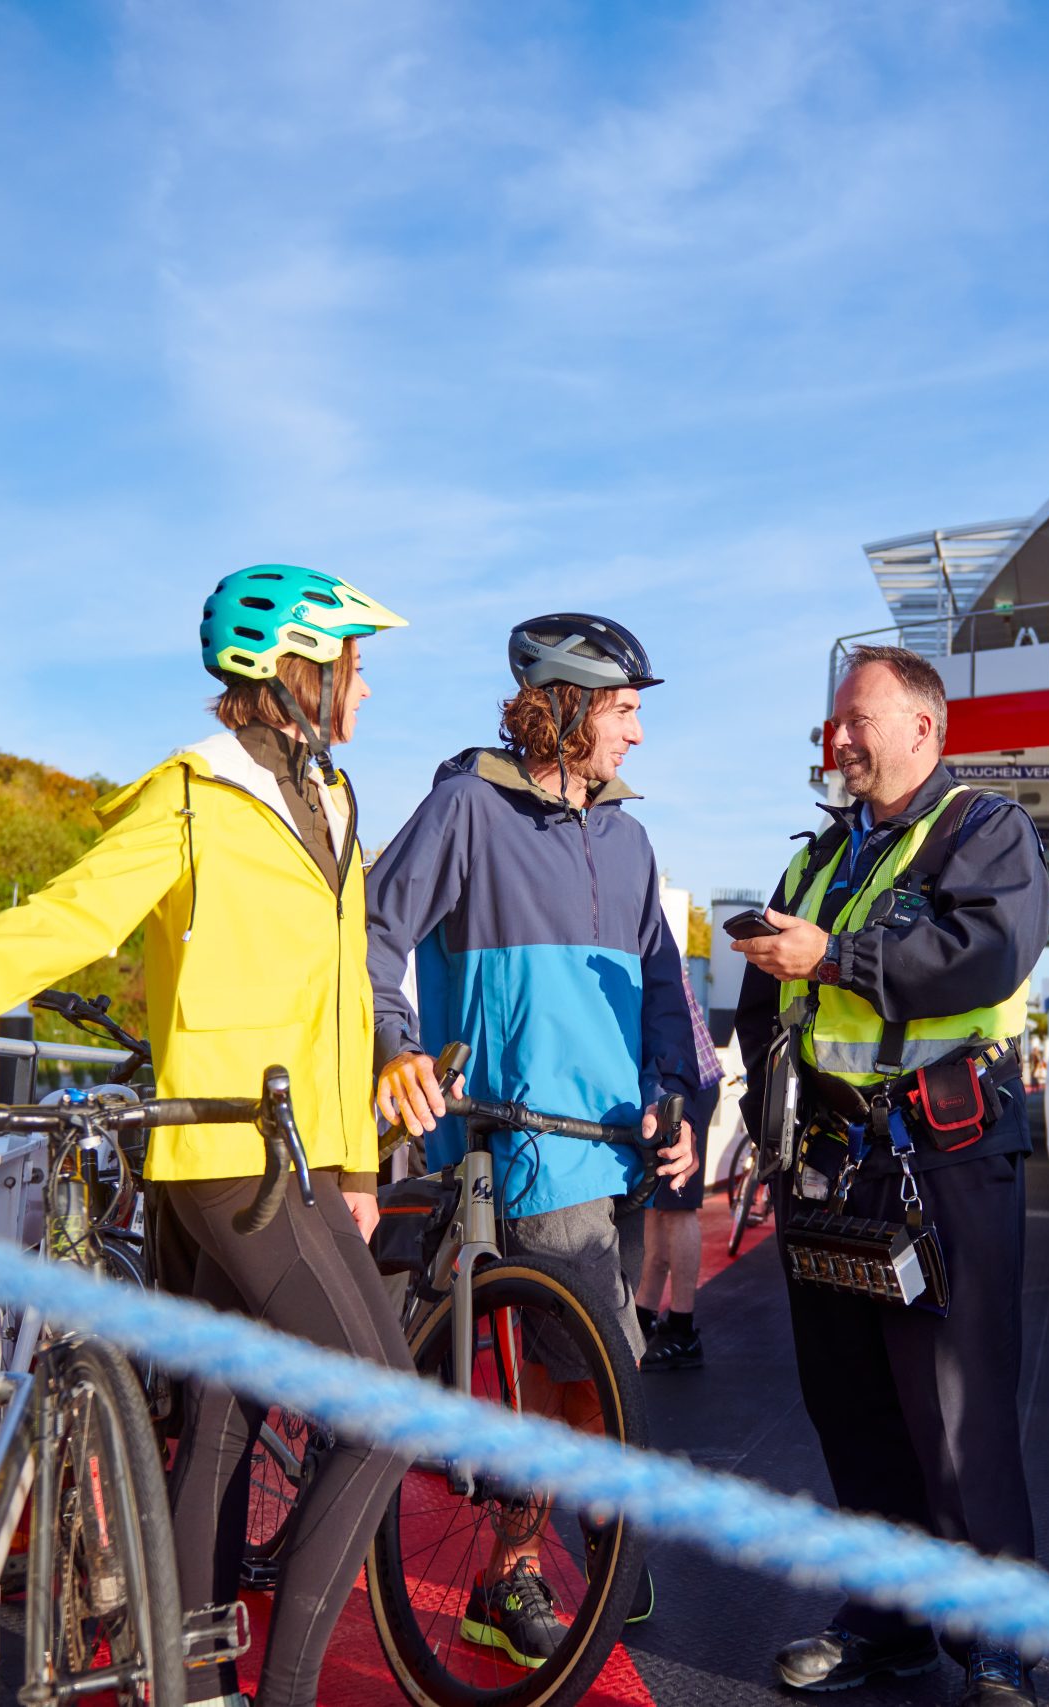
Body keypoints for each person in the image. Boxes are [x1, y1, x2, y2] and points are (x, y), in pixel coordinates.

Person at [0, 565, 413, 1707]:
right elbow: (67, 918)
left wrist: (352, 1165)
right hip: (221, 1150)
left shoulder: (336, 801)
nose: (366, 686)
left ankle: (185, 1690)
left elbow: (342, 997)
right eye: (353, 663)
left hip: (295, 1151)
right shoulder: (191, 796)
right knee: (387, 1414)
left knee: (224, 1421)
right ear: (297, 668)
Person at [367, 612, 698, 1664]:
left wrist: (675, 1102)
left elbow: (661, 992)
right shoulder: (467, 806)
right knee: (600, 1378)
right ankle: (521, 1570)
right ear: (562, 708)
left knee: (571, 1383)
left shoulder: (631, 839)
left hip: (614, 1150)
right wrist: (393, 1041)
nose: (637, 734)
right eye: (624, 710)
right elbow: (372, 930)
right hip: (520, 1144)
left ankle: (565, 1557)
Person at [733, 643, 1048, 1707]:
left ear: (924, 727)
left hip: (943, 1165)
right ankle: (888, 1621)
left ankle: (995, 1639)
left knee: (956, 1414)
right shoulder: (820, 857)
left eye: (857, 720)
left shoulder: (982, 832)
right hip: (826, 1169)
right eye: (834, 722)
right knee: (852, 1408)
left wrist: (832, 958)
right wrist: (760, 1123)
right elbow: (765, 1000)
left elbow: (986, 952)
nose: (839, 738)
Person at [634, 973, 726, 1371]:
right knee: (657, 1206)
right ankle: (644, 1314)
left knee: (676, 1203)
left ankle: (684, 1328)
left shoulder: (639, 940)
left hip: (685, 1083)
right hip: (673, 1080)